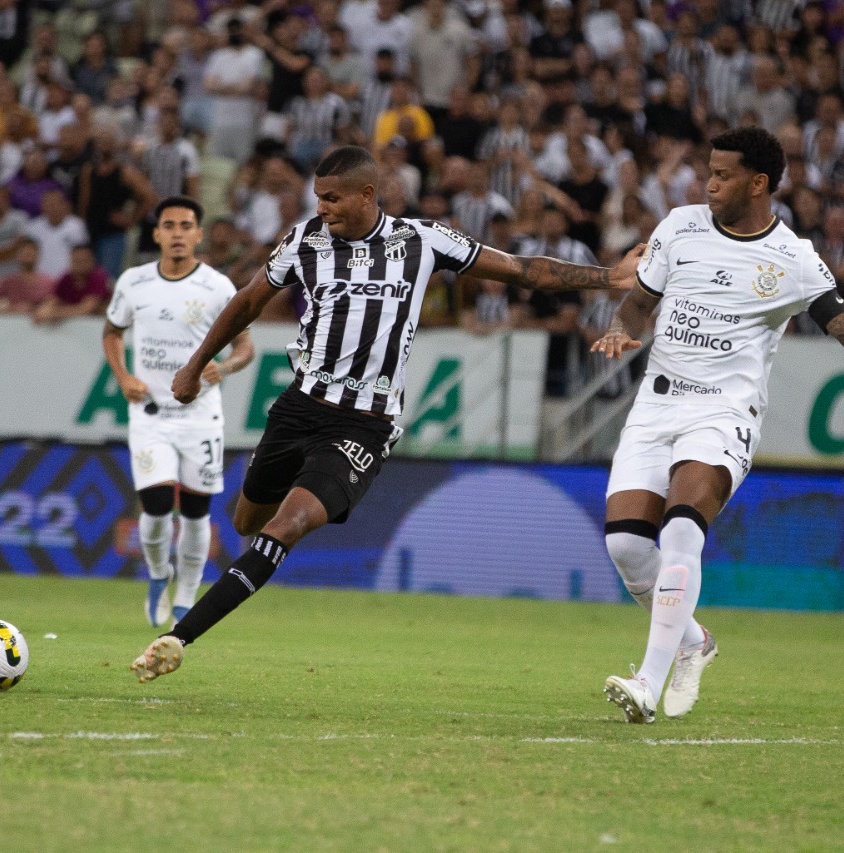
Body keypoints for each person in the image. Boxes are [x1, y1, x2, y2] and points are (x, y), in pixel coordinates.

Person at [130, 145, 641, 683]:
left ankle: (177, 638)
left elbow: (521, 270)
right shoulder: (304, 240)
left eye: (331, 198)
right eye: (317, 198)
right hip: (297, 409)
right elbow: (247, 302)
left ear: (367, 195)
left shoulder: (421, 240)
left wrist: (609, 278)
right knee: (248, 522)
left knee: (288, 525)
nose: (322, 208)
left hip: (363, 425)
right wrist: (193, 366)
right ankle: (237, 569)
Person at [592, 128, 844, 724]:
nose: (709, 184)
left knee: (680, 533)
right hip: (656, 404)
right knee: (625, 545)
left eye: (722, 175)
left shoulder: (794, 259)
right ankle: (695, 642)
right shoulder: (679, 226)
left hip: (724, 413)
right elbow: (639, 301)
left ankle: (646, 683)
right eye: (709, 171)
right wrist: (624, 328)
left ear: (758, 183)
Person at [102, 196, 255, 628]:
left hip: (200, 417)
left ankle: (186, 596)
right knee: (153, 511)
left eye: (186, 225)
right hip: (150, 414)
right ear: (156, 234)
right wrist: (123, 377)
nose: (177, 233)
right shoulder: (134, 282)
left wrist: (222, 368)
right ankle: (157, 574)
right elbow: (112, 332)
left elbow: (246, 347)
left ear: (198, 234)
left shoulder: (218, 287)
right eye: (168, 225)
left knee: (195, 514)